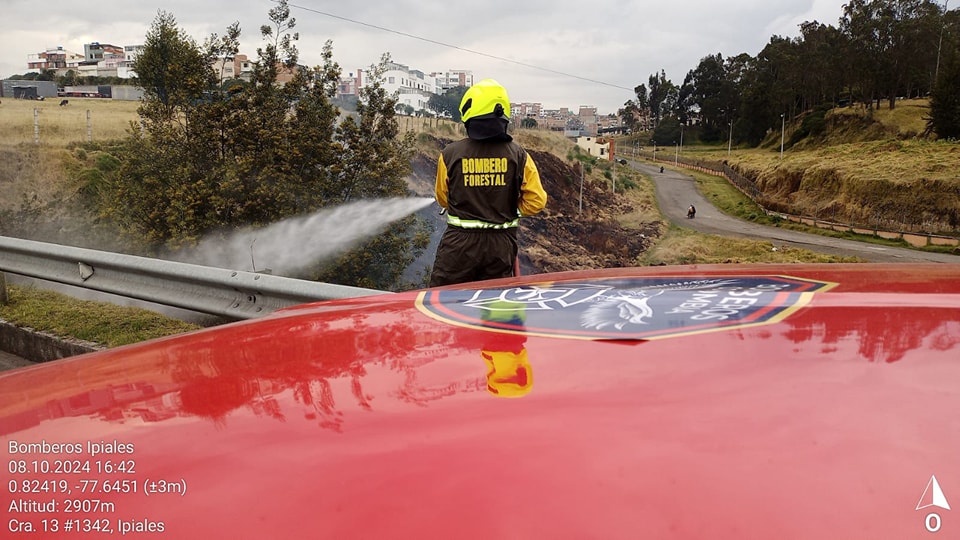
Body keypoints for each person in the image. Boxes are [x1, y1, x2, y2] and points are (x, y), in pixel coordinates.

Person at [429, 79, 547, 287]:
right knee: (495, 305)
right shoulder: (519, 156)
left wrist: (466, 205)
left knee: (444, 302)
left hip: (459, 245)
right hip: (500, 246)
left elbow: (442, 197)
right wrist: (509, 210)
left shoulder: (449, 154)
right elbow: (536, 201)